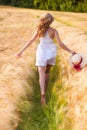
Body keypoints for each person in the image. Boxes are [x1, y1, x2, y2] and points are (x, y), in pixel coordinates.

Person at [16, 13, 76, 105]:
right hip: (51, 51)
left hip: (42, 51)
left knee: (41, 73)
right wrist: (71, 51)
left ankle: (42, 92)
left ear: (43, 20)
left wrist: (21, 51)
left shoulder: (39, 30)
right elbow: (60, 44)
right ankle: (46, 89)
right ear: (51, 22)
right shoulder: (54, 31)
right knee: (47, 71)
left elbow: (30, 41)